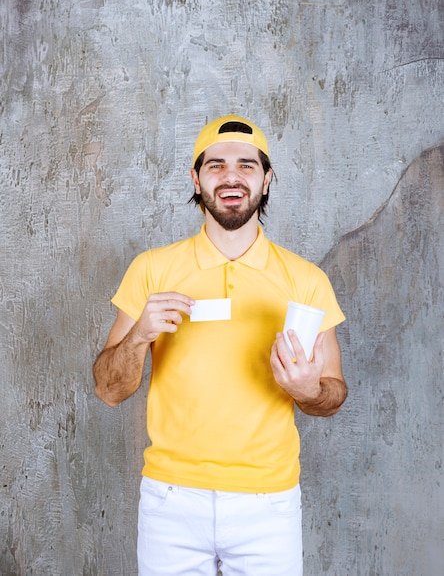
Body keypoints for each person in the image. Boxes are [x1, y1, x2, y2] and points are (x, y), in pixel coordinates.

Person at [93, 114, 347, 576]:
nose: (232, 176)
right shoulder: (151, 271)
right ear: (196, 179)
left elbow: (333, 394)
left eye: (247, 165)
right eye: (216, 165)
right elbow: (109, 390)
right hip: (171, 500)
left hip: (268, 502)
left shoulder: (307, 281)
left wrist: (309, 389)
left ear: (266, 180)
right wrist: (139, 335)